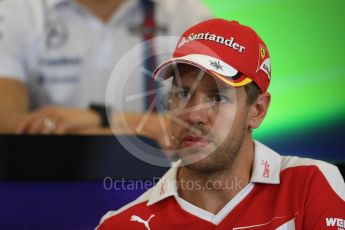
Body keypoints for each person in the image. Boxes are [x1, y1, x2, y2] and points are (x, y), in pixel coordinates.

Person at [96, 18, 345, 229]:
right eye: (183, 94)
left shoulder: (310, 184)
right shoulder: (123, 224)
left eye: (217, 97)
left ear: (257, 111)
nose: (194, 116)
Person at [0, 0, 211, 135]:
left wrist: (99, 120)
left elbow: (212, 122)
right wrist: (147, 128)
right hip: (48, 179)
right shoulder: (18, 11)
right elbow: (7, 120)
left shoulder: (187, 14)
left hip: (160, 183)